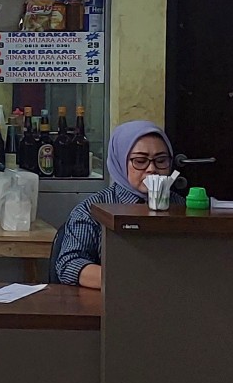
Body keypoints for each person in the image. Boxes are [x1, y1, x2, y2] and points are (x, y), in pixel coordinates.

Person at [54, 121, 179, 289]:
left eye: (161, 160)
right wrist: (131, 280)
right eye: (140, 161)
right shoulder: (92, 210)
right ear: (120, 162)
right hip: (115, 298)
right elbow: (69, 265)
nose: (152, 169)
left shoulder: (182, 207)